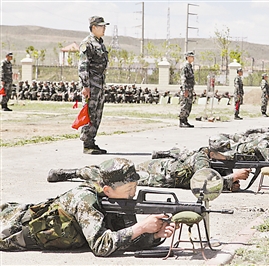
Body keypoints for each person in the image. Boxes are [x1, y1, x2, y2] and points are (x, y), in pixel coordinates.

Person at [0, 158, 175, 256]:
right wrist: (141, 227)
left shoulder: (117, 201)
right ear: (107, 189)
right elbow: (101, 246)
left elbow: (123, 240)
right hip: (9, 228)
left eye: (135, 187)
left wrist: (153, 235)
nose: (133, 193)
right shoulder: (85, 199)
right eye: (129, 189)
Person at [47, 149, 251, 192]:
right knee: (109, 174)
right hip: (157, 173)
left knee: (115, 178)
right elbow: (201, 182)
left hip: (159, 174)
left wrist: (227, 180)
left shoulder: (203, 160)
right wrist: (229, 179)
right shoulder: (201, 157)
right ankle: (71, 173)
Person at [78, 16, 110, 154]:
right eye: (101, 26)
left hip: (99, 84)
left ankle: (91, 141)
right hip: (91, 84)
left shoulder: (100, 43)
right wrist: (85, 86)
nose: (104, 28)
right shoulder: (87, 43)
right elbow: (83, 66)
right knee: (90, 113)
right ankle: (86, 143)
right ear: (93, 27)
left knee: (97, 113)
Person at [179, 51, 195, 128]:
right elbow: (183, 79)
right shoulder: (185, 66)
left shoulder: (190, 66)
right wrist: (185, 89)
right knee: (184, 104)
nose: (193, 58)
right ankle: (181, 120)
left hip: (190, 89)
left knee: (189, 105)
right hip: (186, 89)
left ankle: (185, 120)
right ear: (188, 57)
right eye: (192, 57)